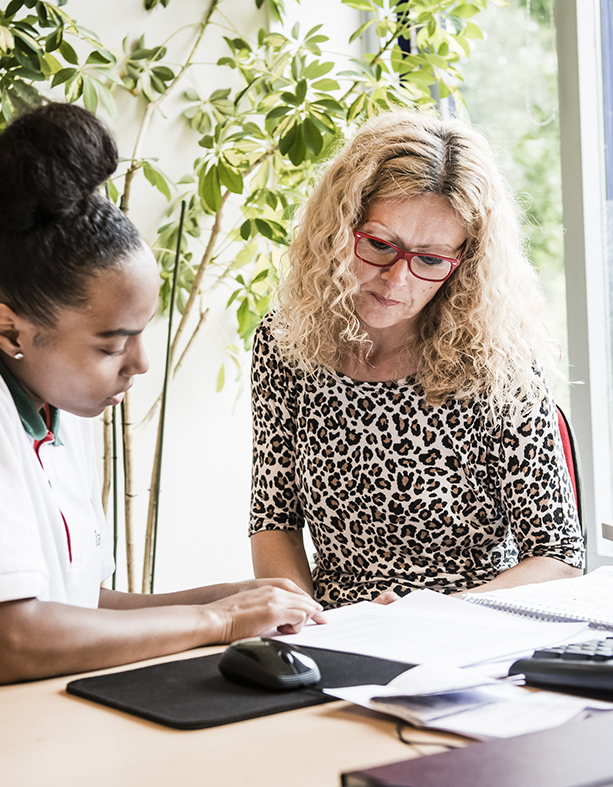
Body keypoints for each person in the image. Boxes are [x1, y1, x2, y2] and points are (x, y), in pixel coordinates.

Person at [0, 102, 322, 701]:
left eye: (141, 332)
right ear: (10, 332)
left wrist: (230, 598)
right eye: (112, 343)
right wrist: (217, 623)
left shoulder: (55, 410)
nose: (140, 362)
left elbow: (78, 605)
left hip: (43, 729)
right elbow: (15, 641)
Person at [249, 110, 584, 609]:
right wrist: (306, 622)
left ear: (464, 265)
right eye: (380, 245)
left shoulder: (498, 364)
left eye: (430, 260)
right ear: (338, 230)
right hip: (338, 630)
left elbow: (557, 556)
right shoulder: (286, 344)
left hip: (469, 627)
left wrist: (434, 616)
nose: (396, 279)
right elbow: (274, 520)